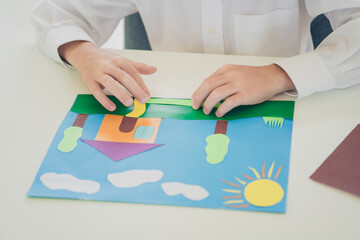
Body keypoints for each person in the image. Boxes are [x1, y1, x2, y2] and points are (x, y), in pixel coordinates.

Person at [32, 1, 360, 117]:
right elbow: (55, 14)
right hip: (170, 101)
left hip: (280, 107)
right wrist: (83, 52)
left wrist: (279, 74)